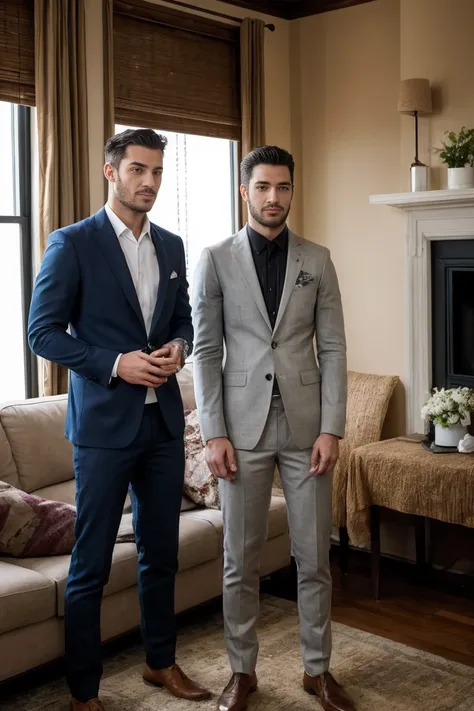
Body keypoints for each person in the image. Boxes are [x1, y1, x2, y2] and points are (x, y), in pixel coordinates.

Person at [28, 128, 210, 711]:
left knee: (162, 555)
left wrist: (179, 348)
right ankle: (84, 693)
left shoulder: (174, 246)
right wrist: (115, 364)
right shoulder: (72, 243)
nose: (149, 182)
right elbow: (43, 334)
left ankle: (161, 663)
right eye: (138, 170)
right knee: (91, 566)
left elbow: (184, 321)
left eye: (156, 172)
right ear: (111, 172)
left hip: (162, 431)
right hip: (104, 433)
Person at [192, 146, 356, 711]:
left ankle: (318, 670)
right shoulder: (214, 259)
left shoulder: (318, 258)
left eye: (283, 187)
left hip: (308, 429)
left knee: (313, 558)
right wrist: (213, 432)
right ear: (245, 191)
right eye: (263, 187)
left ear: (292, 190)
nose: (273, 198)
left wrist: (332, 426)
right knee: (241, 560)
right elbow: (206, 351)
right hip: (240, 431)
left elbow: (332, 348)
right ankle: (242, 672)